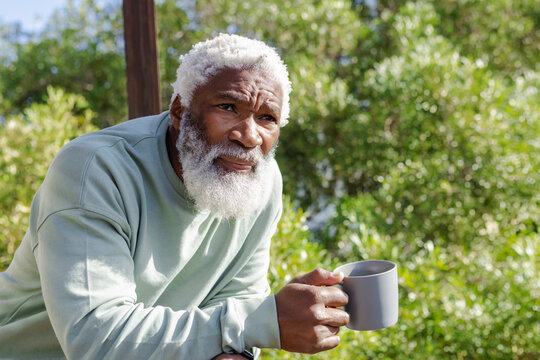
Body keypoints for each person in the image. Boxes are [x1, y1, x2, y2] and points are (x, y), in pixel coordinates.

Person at [0, 33, 348, 359]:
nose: (249, 136)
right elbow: (96, 338)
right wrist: (263, 321)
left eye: (267, 118)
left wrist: (241, 344)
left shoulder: (260, 181)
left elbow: (235, 301)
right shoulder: (96, 168)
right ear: (180, 110)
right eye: (228, 107)